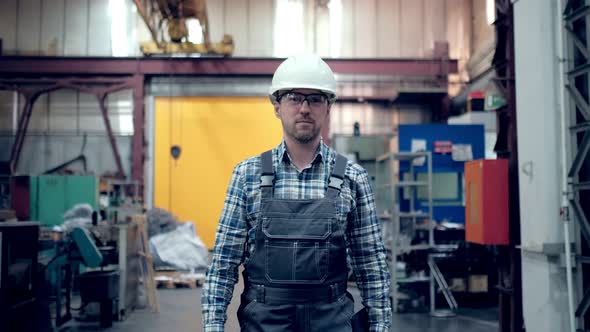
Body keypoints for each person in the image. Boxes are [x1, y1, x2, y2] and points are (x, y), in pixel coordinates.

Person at [202, 54, 392, 332]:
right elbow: (222, 264)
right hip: (264, 323)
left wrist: (381, 326)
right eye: (294, 98)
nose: (304, 108)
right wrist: (213, 326)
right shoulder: (247, 176)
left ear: (328, 108)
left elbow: (372, 265)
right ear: (277, 106)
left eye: (315, 99)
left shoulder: (353, 178)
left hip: (332, 322)